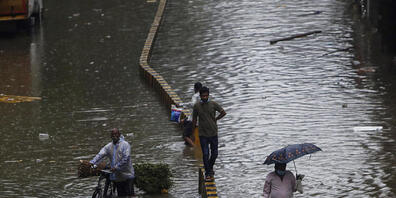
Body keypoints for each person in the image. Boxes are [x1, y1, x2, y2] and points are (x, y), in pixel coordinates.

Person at [192, 86, 226, 181]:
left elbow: (223, 112)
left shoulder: (213, 104)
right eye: (203, 96)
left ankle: (210, 167)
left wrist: (216, 119)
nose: (205, 97)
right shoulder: (197, 106)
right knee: (206, 154)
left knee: (214, 154)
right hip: (202, 134)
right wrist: (193, 133)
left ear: (208, 95)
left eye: (206, 96)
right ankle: (208, 173)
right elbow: (194, 119)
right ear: (200, 96)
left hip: (213, 133)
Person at [90, 128, 135, 196]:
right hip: (118, 177)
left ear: (119, 135)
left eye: (116, 134)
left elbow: (126, 158)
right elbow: (100, 155)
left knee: (130, 195)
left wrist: (116, 167)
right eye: (113, 135)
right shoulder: (108, 147)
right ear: (111, 136)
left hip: (127, 175)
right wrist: (91, 163)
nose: (114, 136)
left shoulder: (125, 145)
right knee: (121, 195)